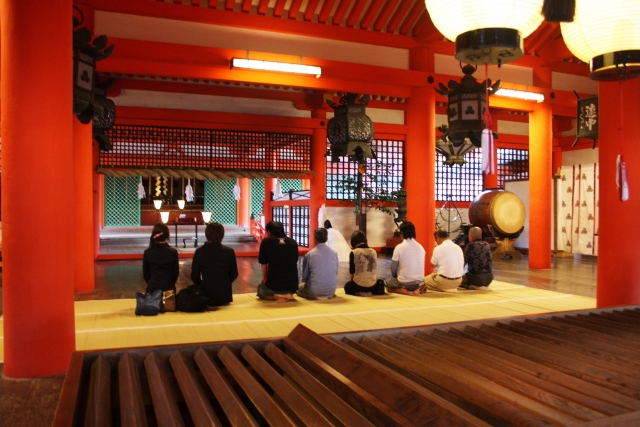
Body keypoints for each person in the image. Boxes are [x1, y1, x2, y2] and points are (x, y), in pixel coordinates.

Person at [191, 222, 239, 306]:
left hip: (206, 293)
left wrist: (202, 284)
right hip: (225, 294)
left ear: (207, 235)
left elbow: (195, 276)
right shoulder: (229, 251)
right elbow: (234, 273)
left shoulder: (200, 251)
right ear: (222, 235)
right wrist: (225, 282)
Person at [257, 221, 299, 302]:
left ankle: (276, 296)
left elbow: (263, 264)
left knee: (260, 290)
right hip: (292, 287)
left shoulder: (266, 242)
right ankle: (287, 295)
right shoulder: (293, 242)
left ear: (269, 231)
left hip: (273, 286)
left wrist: (265, 279)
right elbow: (295, 261)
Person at [385, 222, 426, 296]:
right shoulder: (421, 247)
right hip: (419, 281)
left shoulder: (399, 247)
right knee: (413, 283)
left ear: (402, 233)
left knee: (387, 285)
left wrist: (395, 277)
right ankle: (417, 289)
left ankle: (404, 291)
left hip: (405, 281)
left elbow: (393, 268)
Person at [296, 228, 338, 299]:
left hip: (314, 291)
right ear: (327, 239)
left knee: (298, 288)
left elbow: (305, 278)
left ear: (314, 239)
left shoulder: (310, 254)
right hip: (331, 291)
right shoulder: (334, 253)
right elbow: (335, 272)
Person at [344, 230, 386, 297]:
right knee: (380, 282)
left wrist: (353, 282)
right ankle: (371, 291)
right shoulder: (374, 251)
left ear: (353, 241)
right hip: (372, 286)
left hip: (359, 285)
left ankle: (359, 292)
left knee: (347, 286)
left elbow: (352, 272)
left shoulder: (353, 252)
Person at [422, 228, 465, 293]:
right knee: (435, 275)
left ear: (438, 238)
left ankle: (445, 288)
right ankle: (450, 287)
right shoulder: (458, 247)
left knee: (423, 281)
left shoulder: (438, 248)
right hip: (458, 281)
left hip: (444, 281)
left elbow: (433, 265)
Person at [142, 222, 179, 294]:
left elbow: (146, 275)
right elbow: (175, 274)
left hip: (152, 288)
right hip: (169, 288)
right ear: (167, 236)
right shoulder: (173, 252)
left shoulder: (148, 252)